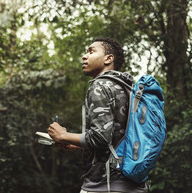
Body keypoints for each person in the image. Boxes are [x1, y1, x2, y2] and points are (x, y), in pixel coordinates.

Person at [48, 37, 149, 193]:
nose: (84, 56)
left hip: (104, 185)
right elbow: (117, 137)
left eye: (91, 51)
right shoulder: (129, 89)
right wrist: (76, 143)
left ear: (108, 59)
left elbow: (101, 138)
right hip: (133, 184)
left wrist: (63, 135)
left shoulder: (100, 85)